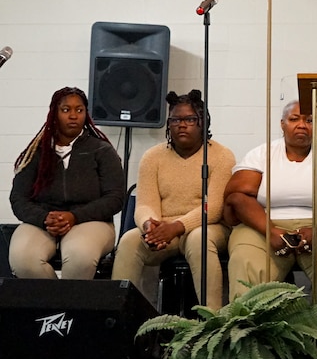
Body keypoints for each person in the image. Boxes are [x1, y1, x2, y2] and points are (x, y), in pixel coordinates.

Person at [112, 90, 234, 310]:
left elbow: (214, 208)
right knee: (130, 240)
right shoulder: (152, 157)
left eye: (189, 119)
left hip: (208, 227)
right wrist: (151, 225)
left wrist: (177, 227)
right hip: (164, 230)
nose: (182, 125)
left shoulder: (222, 156)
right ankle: (121, 320)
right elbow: (145, 204)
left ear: (203, 122)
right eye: (176, 119)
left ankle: (213, 323)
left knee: (199, 240)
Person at [224, 100, 317, 309]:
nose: (302, 125)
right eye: (294, 119)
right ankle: (250, 336)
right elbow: (237, 197)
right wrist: (271, 231)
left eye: (309, 120)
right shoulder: (261, 154)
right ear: (282, 124)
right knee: (244, 263)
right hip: (263, 224)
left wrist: (316, 230)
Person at [9, 87, 125, 279]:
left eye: (79, 110)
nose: (73, 115)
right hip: (43, 221)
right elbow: (18, 198)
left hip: (91, 220)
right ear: (54, 113)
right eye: (66, 110)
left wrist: (74, 216)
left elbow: (115, 198)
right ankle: (56, 306)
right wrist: (44, 218)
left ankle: (70, 308)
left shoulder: (102, 150)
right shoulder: (37, 151)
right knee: (23, 258)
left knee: (80, 257)